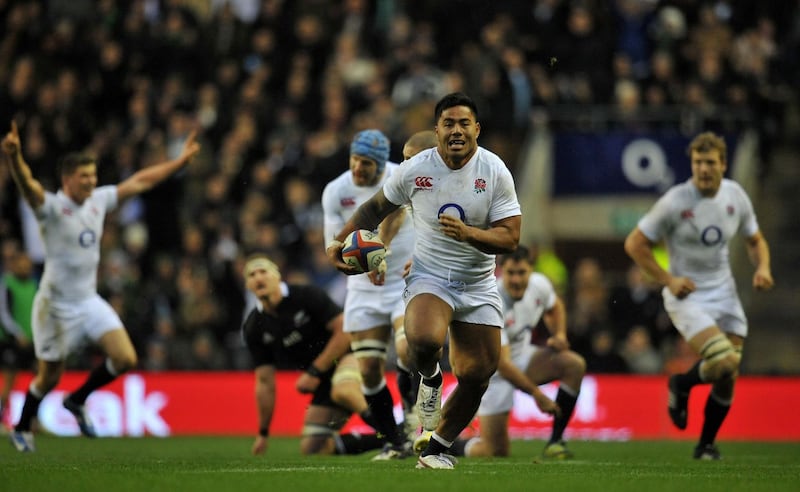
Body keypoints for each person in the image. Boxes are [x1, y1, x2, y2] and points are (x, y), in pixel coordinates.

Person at [326, 92, 522, 469]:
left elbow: (510, 237)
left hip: (479, 284)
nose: (457, 130)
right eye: (448, 124)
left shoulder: (495, 170)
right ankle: (430, 379)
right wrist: (338, 243)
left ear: (477, 129)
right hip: (431, 277)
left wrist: (469, 234)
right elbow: (373, 209)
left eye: (464, 123)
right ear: (437, 132)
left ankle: (435, 449)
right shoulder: (416, 169)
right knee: (424, 340)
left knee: (478, 374)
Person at [2, 120, 200, 452]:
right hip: (54, 305)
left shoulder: (99, 199)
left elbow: (140, 181)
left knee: (125, 358)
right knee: (48, 377)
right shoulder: (51, 208)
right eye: (84, 177)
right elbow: (28, 185)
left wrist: (178, 163)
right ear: (67, 180)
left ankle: (77, 400)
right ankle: (22, 427)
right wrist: (15, 158)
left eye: (93, 175)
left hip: (87, 300)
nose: (92, 182)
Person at [624, 131, 773, 460]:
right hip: (686, 294)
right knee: (725, 361)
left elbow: (755, 239)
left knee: (726, 377)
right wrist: (668, 279)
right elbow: (634, 243)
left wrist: (762, 267)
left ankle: (705, 444)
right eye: (697, 163)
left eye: (709, 162)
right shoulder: (675, 201)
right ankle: (682, 384)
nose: (703, 169)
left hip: (725, 291)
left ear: (723, 163)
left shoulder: (736, 195)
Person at [416, 245, 583, 460]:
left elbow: (555, 306)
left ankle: (556, 441)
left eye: (521, 273)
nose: (516, 280)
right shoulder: (494, 298)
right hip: (493, 372)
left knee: (574, 364)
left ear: (531, 270)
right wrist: (537, 395)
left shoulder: (539, 285)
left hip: (523, 357)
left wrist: (559, 334)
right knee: (494, 451)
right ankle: (451, 444)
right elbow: (502, 364)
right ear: (501, 271)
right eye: (511, 273)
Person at [321, 129, 415, 460]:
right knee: (370, 371)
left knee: (408, 348)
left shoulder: (399, 175)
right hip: (362, 290)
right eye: (356, 160)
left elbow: (396, 213)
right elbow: (333, 246)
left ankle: (416, 420)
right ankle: (396, 441)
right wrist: (360, 265)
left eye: (368, 163)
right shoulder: (335, 191)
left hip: (404, 281)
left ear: (381, 164)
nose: (360, 168)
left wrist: (380, 253)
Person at [241, 253, 384, 456]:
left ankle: (394, 434)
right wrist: (263, 432)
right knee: (313, 447)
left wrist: (314, 372)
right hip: (324, 378)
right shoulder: (254, 327)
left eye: (263, 271)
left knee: (342, 390)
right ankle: (389, 439)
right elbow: (265, 382)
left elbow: (344, 331)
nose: (258, 277)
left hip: (350, 356)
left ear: (277, 276)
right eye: (251, 275)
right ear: (248, 285)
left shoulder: (305, 295)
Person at [0, 246, 37, 430]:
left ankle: (34, 420)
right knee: (8, 381)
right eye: (22, 264)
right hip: (10, 341)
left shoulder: (33, 285)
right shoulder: (6, 283)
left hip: (31, 341)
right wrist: (17, 334)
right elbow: (4, 314)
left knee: (40, 380)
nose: (25, 268)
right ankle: (0, 420)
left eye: (28, 265)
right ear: (14, 265)